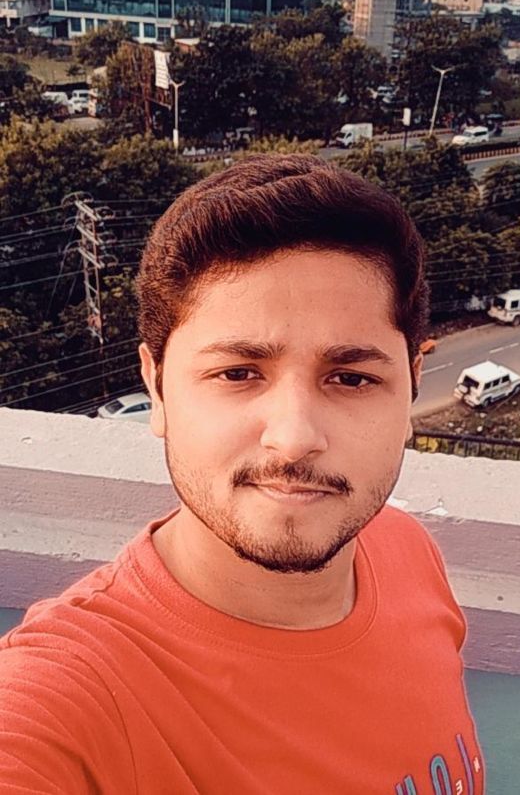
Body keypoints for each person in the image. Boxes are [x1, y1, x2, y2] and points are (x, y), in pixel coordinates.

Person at [0, 155, 483, 794]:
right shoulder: (73, 697)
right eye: (237, 373)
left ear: (411, 391)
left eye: (352, 378)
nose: (295, 436)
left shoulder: (407, 550)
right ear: (157, 388)